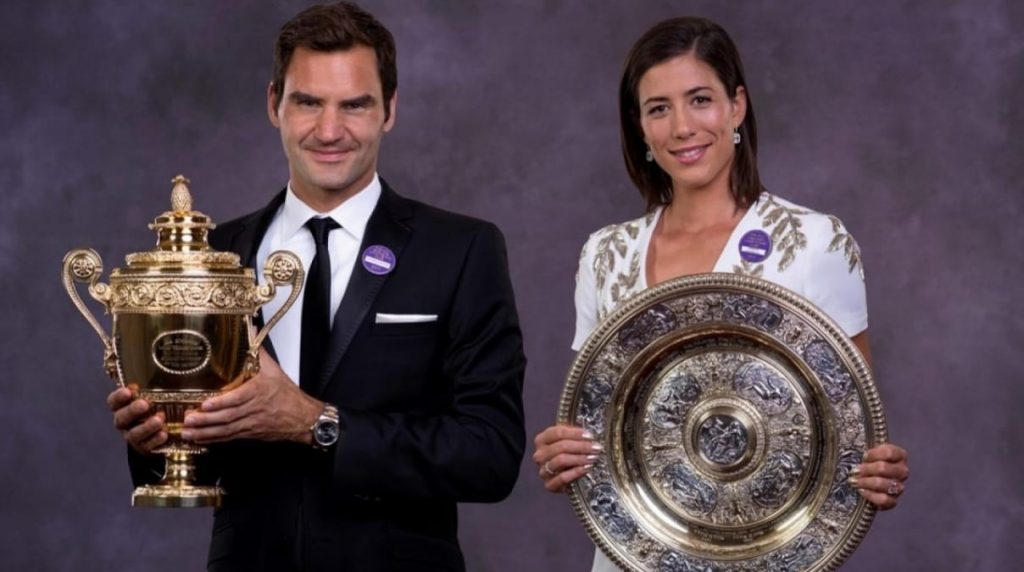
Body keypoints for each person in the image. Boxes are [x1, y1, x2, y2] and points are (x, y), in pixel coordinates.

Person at [107, 3, 526, 570]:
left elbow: (490, 454)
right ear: (275, 105)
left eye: (355, 105)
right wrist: (155, 440)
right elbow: (200, 464)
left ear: (389, 111)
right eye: (308, 102)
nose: (330, 131)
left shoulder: (460, 249)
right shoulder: (215, 258)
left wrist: (317, 424)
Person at [531, 17, 909, 571]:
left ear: (737, 107)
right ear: (640, 128)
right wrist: (564, 454)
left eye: (699, 99)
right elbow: (598, 420)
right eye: (658, 108)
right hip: (632, 555)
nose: (682, 127)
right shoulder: (605, 254)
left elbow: (853, 430)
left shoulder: (813, 242)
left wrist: (876, 472)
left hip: (767, 556)